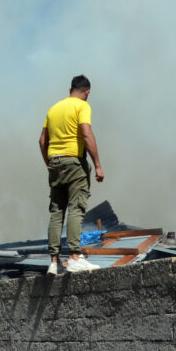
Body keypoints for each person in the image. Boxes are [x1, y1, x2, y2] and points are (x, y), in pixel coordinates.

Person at [38, 75, 105, 275]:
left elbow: (42, 141)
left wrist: (50, 163)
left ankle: (53, 261)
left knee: (56, 212)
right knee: (76, 208)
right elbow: (86, 133)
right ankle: (75, 257)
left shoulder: (53, 109)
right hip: (74, 163)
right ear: (87, 92)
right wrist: (98, 165)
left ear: (70, 90)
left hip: (55, 163)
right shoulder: (82, 106)